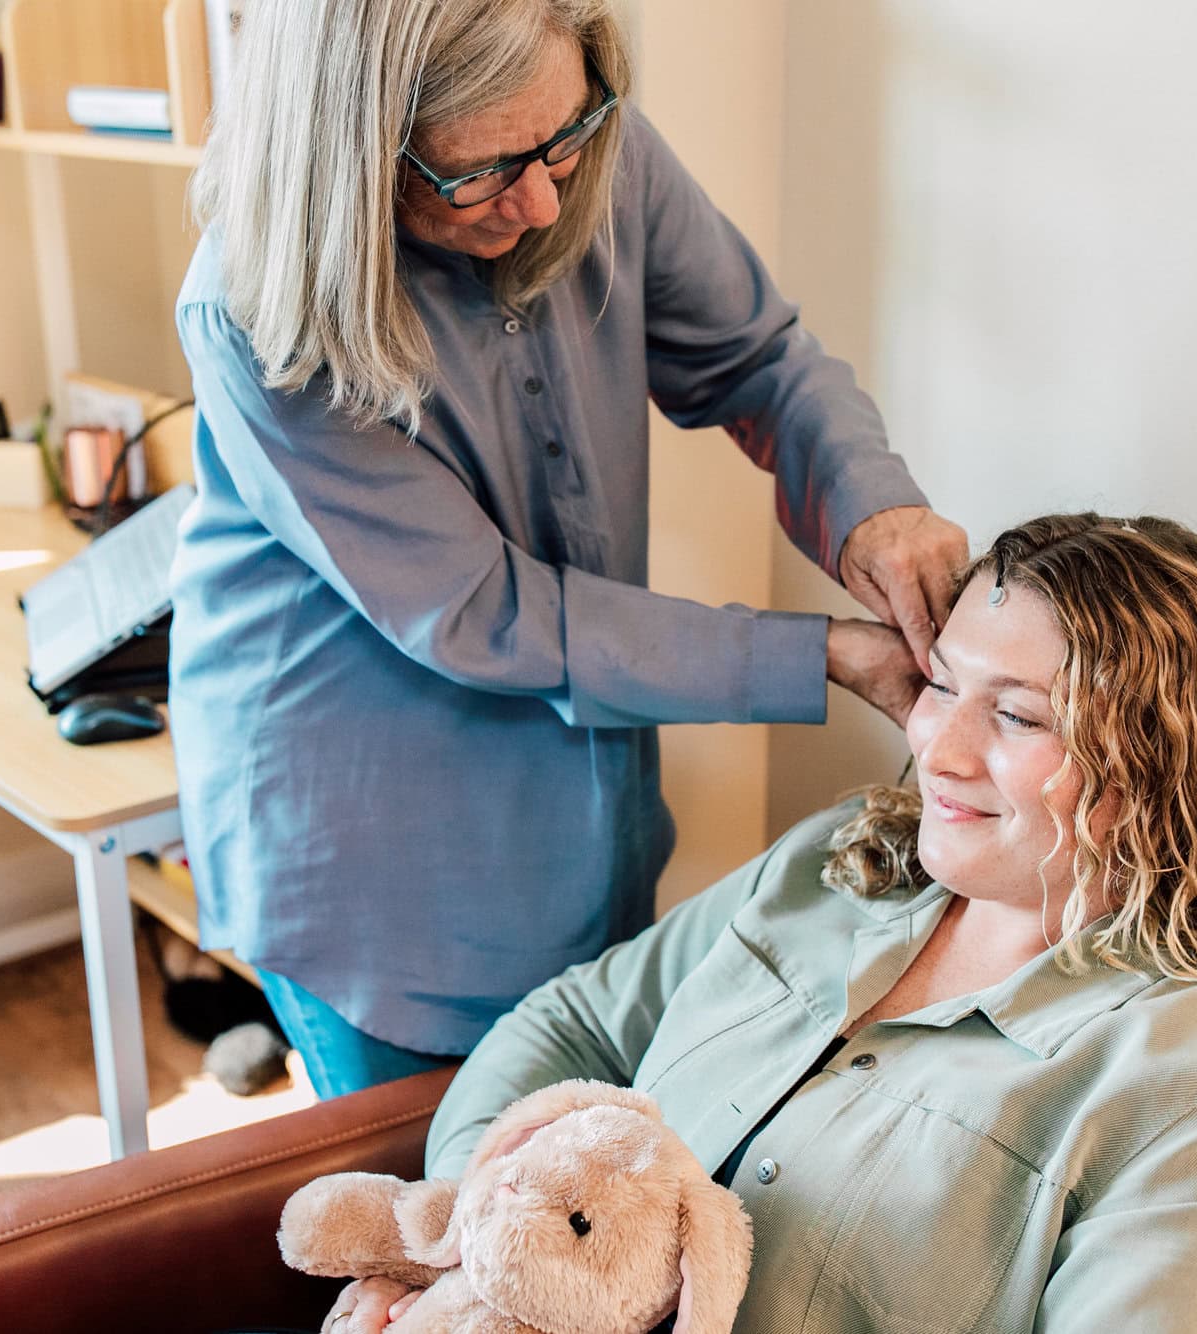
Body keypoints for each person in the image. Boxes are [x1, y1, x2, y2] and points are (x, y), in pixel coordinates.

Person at [327, 513, 1197, 1333]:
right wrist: (475, 1249)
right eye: (939, 683)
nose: (936, 744)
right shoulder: (841, 863)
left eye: (1016, 714)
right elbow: (571, 1028)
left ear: (1170, 764)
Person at [171, 0, 966, 1099]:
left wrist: (872, 510)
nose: (546, 201)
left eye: (564, 140)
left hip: (578, 805)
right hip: (368, 834)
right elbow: (486, 612)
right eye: (484, 172)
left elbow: (755, 360)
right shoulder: (254, 309)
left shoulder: (585, 147)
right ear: (357, 150)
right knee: (441, 1200)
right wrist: (822, 651)